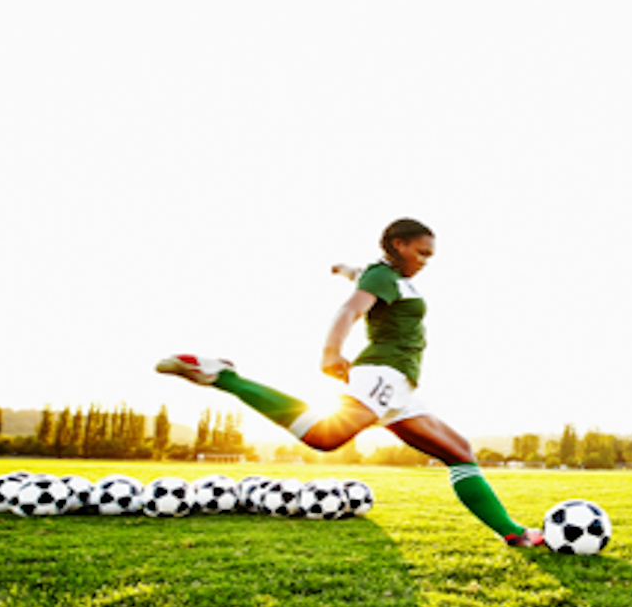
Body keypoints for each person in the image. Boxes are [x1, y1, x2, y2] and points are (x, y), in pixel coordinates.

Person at [156, 217, 545, 547]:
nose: (425, 262)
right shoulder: (382, 275)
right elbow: (349, 310)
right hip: (383, 372)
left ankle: (513, 533)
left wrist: (347, 271)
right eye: (421, 253)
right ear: (399, 245)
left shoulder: (390, 277)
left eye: (430, 256)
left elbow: (365, 277)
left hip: (402, 386)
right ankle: (223, 376)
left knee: (459, 452)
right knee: (325, 437)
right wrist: (331, 351)